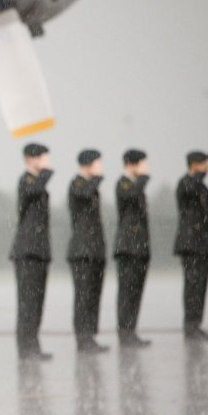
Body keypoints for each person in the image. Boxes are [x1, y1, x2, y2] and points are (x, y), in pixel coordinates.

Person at [9, 143, 53, 361]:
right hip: (27, 251)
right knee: (27, 302)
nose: (47, 162)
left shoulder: (38, 183)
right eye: (42, 158)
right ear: (30, 159)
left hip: (39, 250)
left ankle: (33, 345)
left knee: (37, 302)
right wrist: (45, 172)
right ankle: (25, 348)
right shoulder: (26, 181)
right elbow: (34, 190)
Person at [67, 149, 109, 353]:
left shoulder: (92, 187)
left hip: (95, 250)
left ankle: (90, 336)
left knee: (94, 294)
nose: (101, 167)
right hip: (82, 251)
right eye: (98, 163)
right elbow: (82, 193)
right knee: (83, 296)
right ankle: (82, 338)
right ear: (88, 164)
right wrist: (97, 178)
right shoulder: (77, 183)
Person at [174, 150, 208, 341]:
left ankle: (196, 323)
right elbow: (188, 190)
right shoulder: (185, 183)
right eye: (204, 163)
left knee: (201, 285)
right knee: (192, 285)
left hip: (203, 244)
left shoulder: (203, 188)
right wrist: (197, 175)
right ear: (194, 164)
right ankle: (190, 325)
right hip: (190, 244)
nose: (207, 167)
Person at [114, 149, 152, 347]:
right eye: (143, 164)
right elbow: (130, 195)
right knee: (127, 292)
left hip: (139, 248)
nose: (146, 168)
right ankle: (125, 332)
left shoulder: (136, 186)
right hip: (128, 248)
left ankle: (131, 331)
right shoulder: (123, 183)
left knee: (136, 292)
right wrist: (143, 177)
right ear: (131, 164)